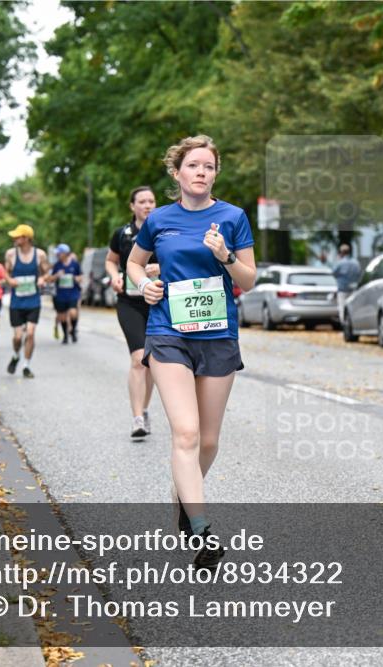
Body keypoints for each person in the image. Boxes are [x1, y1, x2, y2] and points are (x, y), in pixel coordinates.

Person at [126, 135, 255, 570]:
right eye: (194, 165)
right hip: (168, 333)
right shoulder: (159, 220)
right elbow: (133, 262)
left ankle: (183, 495)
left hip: (218, 336)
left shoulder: (233, 217)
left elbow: (250, 279)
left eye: (209, 167)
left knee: (209, 440)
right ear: (177, 173)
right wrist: (144, 285)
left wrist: (226, 257)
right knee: (185, 433)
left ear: (216, 173)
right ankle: (201, 530)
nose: (202, 172)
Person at [107, 186, 160, 440]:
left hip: (157, 301)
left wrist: (157, 267)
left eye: (151, 201)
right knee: (139, 358)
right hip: (130, 302)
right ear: (132, 206)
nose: (147, 205)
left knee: (150, 363)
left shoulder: (164, 232)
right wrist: (114, 276)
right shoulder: (123, 234)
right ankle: (138, 418)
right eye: (142, 201)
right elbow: (110, 260)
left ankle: (145, 408)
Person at [4, 224, 49, 378]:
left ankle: (26, 366)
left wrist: (43, 279)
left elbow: (46, 272)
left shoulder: (40, 255)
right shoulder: (10, 254)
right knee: (17, 337)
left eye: (18, 236)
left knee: (30, 334)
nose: (15, 238)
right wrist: (10, 281)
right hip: (16, 302)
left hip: (33, 301)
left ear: (26, 238)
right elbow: (5, 273)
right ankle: (16, 355)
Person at [47, 244, 83, 344]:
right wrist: (57, 275)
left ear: (65, 253)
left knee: (73, 312)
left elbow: (81, 277)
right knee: (62, 316)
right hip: (60, 294)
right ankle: (65, 335)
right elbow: (49, 279)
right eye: (57, 253)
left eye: (59, 253)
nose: (58, 254)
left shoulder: (75, 264)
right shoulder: (57, 265)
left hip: (73, 293)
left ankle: (73, 330)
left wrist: (75, 278)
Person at [331, 243, 361, 324]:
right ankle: (352, 325)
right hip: (353, 289)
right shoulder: (356, 262)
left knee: (342, 308)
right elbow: (359, 274)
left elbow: (333, 273)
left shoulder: (340, 263)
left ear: (341, 252)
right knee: (352, 308)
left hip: (342, 289)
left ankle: (344, 326)